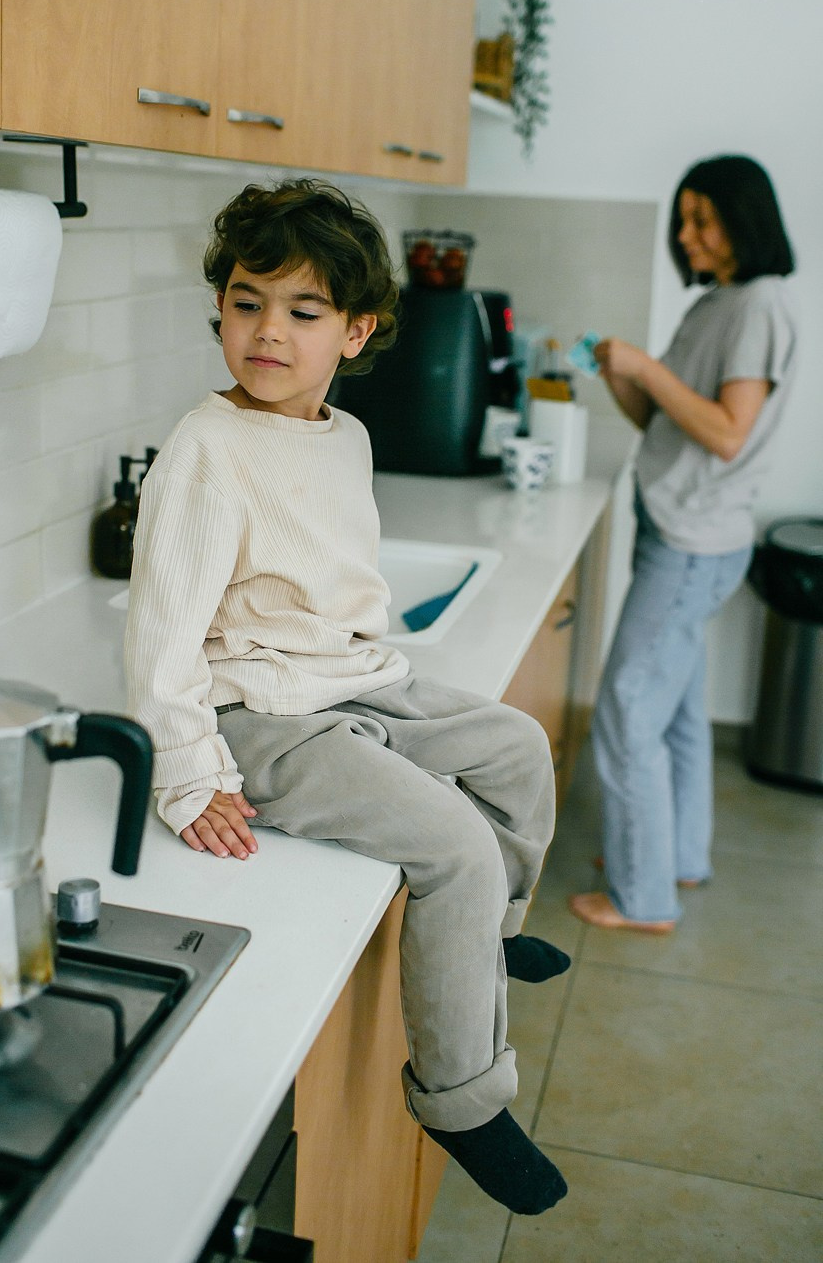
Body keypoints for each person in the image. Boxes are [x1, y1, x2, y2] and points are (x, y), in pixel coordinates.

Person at [125, 177, 568, 1216]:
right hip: (262, 720)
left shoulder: (346, 435)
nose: (266, 331)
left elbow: (329, 597)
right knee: (452, 843)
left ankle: (484, 937)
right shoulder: (204, 449)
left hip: (353, 683)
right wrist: (189, 776)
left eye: (301, 311)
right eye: (246, 301)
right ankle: (461, 1100)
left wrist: (387, 689)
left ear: (356, 329)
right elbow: (160, 636)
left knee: (515, 747)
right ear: (220, 309)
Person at [570, 155, 797, 935]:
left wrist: (647, 367)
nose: (686, 234)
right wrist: (624, 377)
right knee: (674, 713)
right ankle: (675, 856)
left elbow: (728, 436)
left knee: (630, 708)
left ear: (746, 222)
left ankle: (643, 896)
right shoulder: (722, 304)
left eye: (702, 219)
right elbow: (673, 425)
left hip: (692, 545)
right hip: (683, 532)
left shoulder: (758, 307)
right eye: (683, 218)